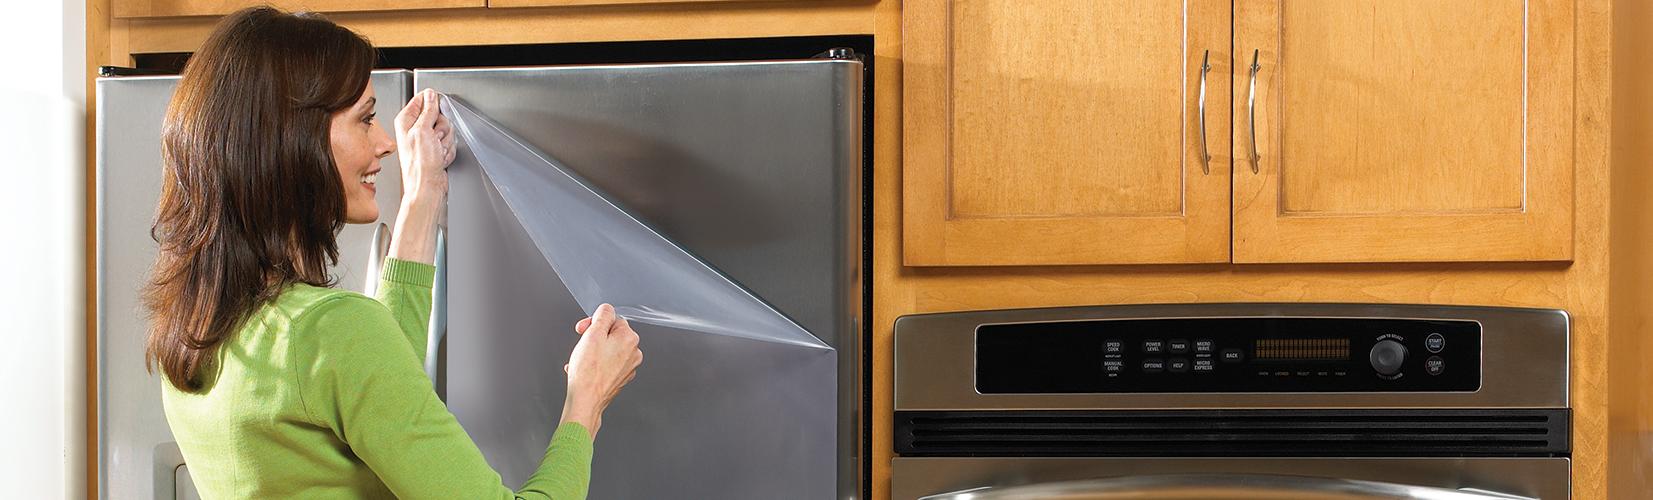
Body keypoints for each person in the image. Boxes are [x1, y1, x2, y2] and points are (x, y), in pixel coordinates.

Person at [141, 6, 643, 499]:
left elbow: (374, 381)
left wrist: (425, 192)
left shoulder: (196, 329)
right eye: (365, 119)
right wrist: (585, 404)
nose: (385, 142)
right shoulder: (327, 332)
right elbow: (360, 360)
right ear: (292, 140)